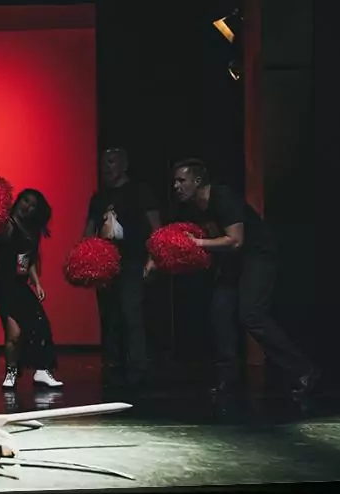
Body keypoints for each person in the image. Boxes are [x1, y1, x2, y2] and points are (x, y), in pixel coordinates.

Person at [166, 158, 318, 396]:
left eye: (181, 180)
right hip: (232, 261)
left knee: (251, 315)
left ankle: (303, 370)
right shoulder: (191, 207)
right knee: (220, 313)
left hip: (258, 256)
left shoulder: (223, 197)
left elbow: (235, 241)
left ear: (197, 181)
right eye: (175, 181)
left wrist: (198, 243)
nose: (176, 186)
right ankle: (228, 379)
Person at [83, 147, 161, 388]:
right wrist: (87, 260)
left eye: (111, 162)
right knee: (109, 316)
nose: (106, 167)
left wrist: (153, 258)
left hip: (133, 260)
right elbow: (89, 232)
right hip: (106, 264)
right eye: (103, 162)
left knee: (131, 313)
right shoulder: (99, 197)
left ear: (124, 165)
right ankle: (113, 365)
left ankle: (138, 367)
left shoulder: (140, 191)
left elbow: (156, 228)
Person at [0, 188, 62, 390]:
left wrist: (37, 283)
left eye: (32, 206)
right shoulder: (7, 225)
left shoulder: (31, 230)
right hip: (4, 285)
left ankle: (42, 370)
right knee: (14, 333)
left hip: (20, 285)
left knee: (40, 325)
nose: (27, 207)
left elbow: (28, 260)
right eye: (25, 201)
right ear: (18, 200)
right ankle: (11, 372)